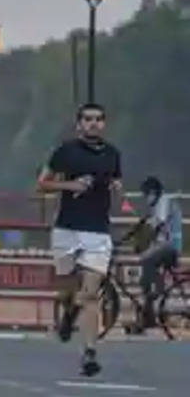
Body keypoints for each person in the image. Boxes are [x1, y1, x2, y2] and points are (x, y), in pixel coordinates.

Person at [37, 102, 124, 377]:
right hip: (67, 228)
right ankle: (68, 313)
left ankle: (89, 352)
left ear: (104, 124)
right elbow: (42, 183)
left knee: (90, 294)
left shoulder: (112, 155)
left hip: (97, 231)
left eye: (98, 119)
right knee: (67, 291)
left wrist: (117, 189)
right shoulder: (66, 152)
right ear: (79, 124)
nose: (94, 124)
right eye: (88, 119)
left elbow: (118, 189)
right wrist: (70, 185)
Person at [136, 176, 181, 330]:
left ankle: (157, 290)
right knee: (144, 273)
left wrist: (143, 243)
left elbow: (157, 225)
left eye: (146, 194)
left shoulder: (164, 201)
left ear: (153, 192)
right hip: (164, 245)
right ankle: (148, 311)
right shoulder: (157, 205)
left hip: (170, 246)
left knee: (147, 261)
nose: (146, 198)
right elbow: (147, 225)